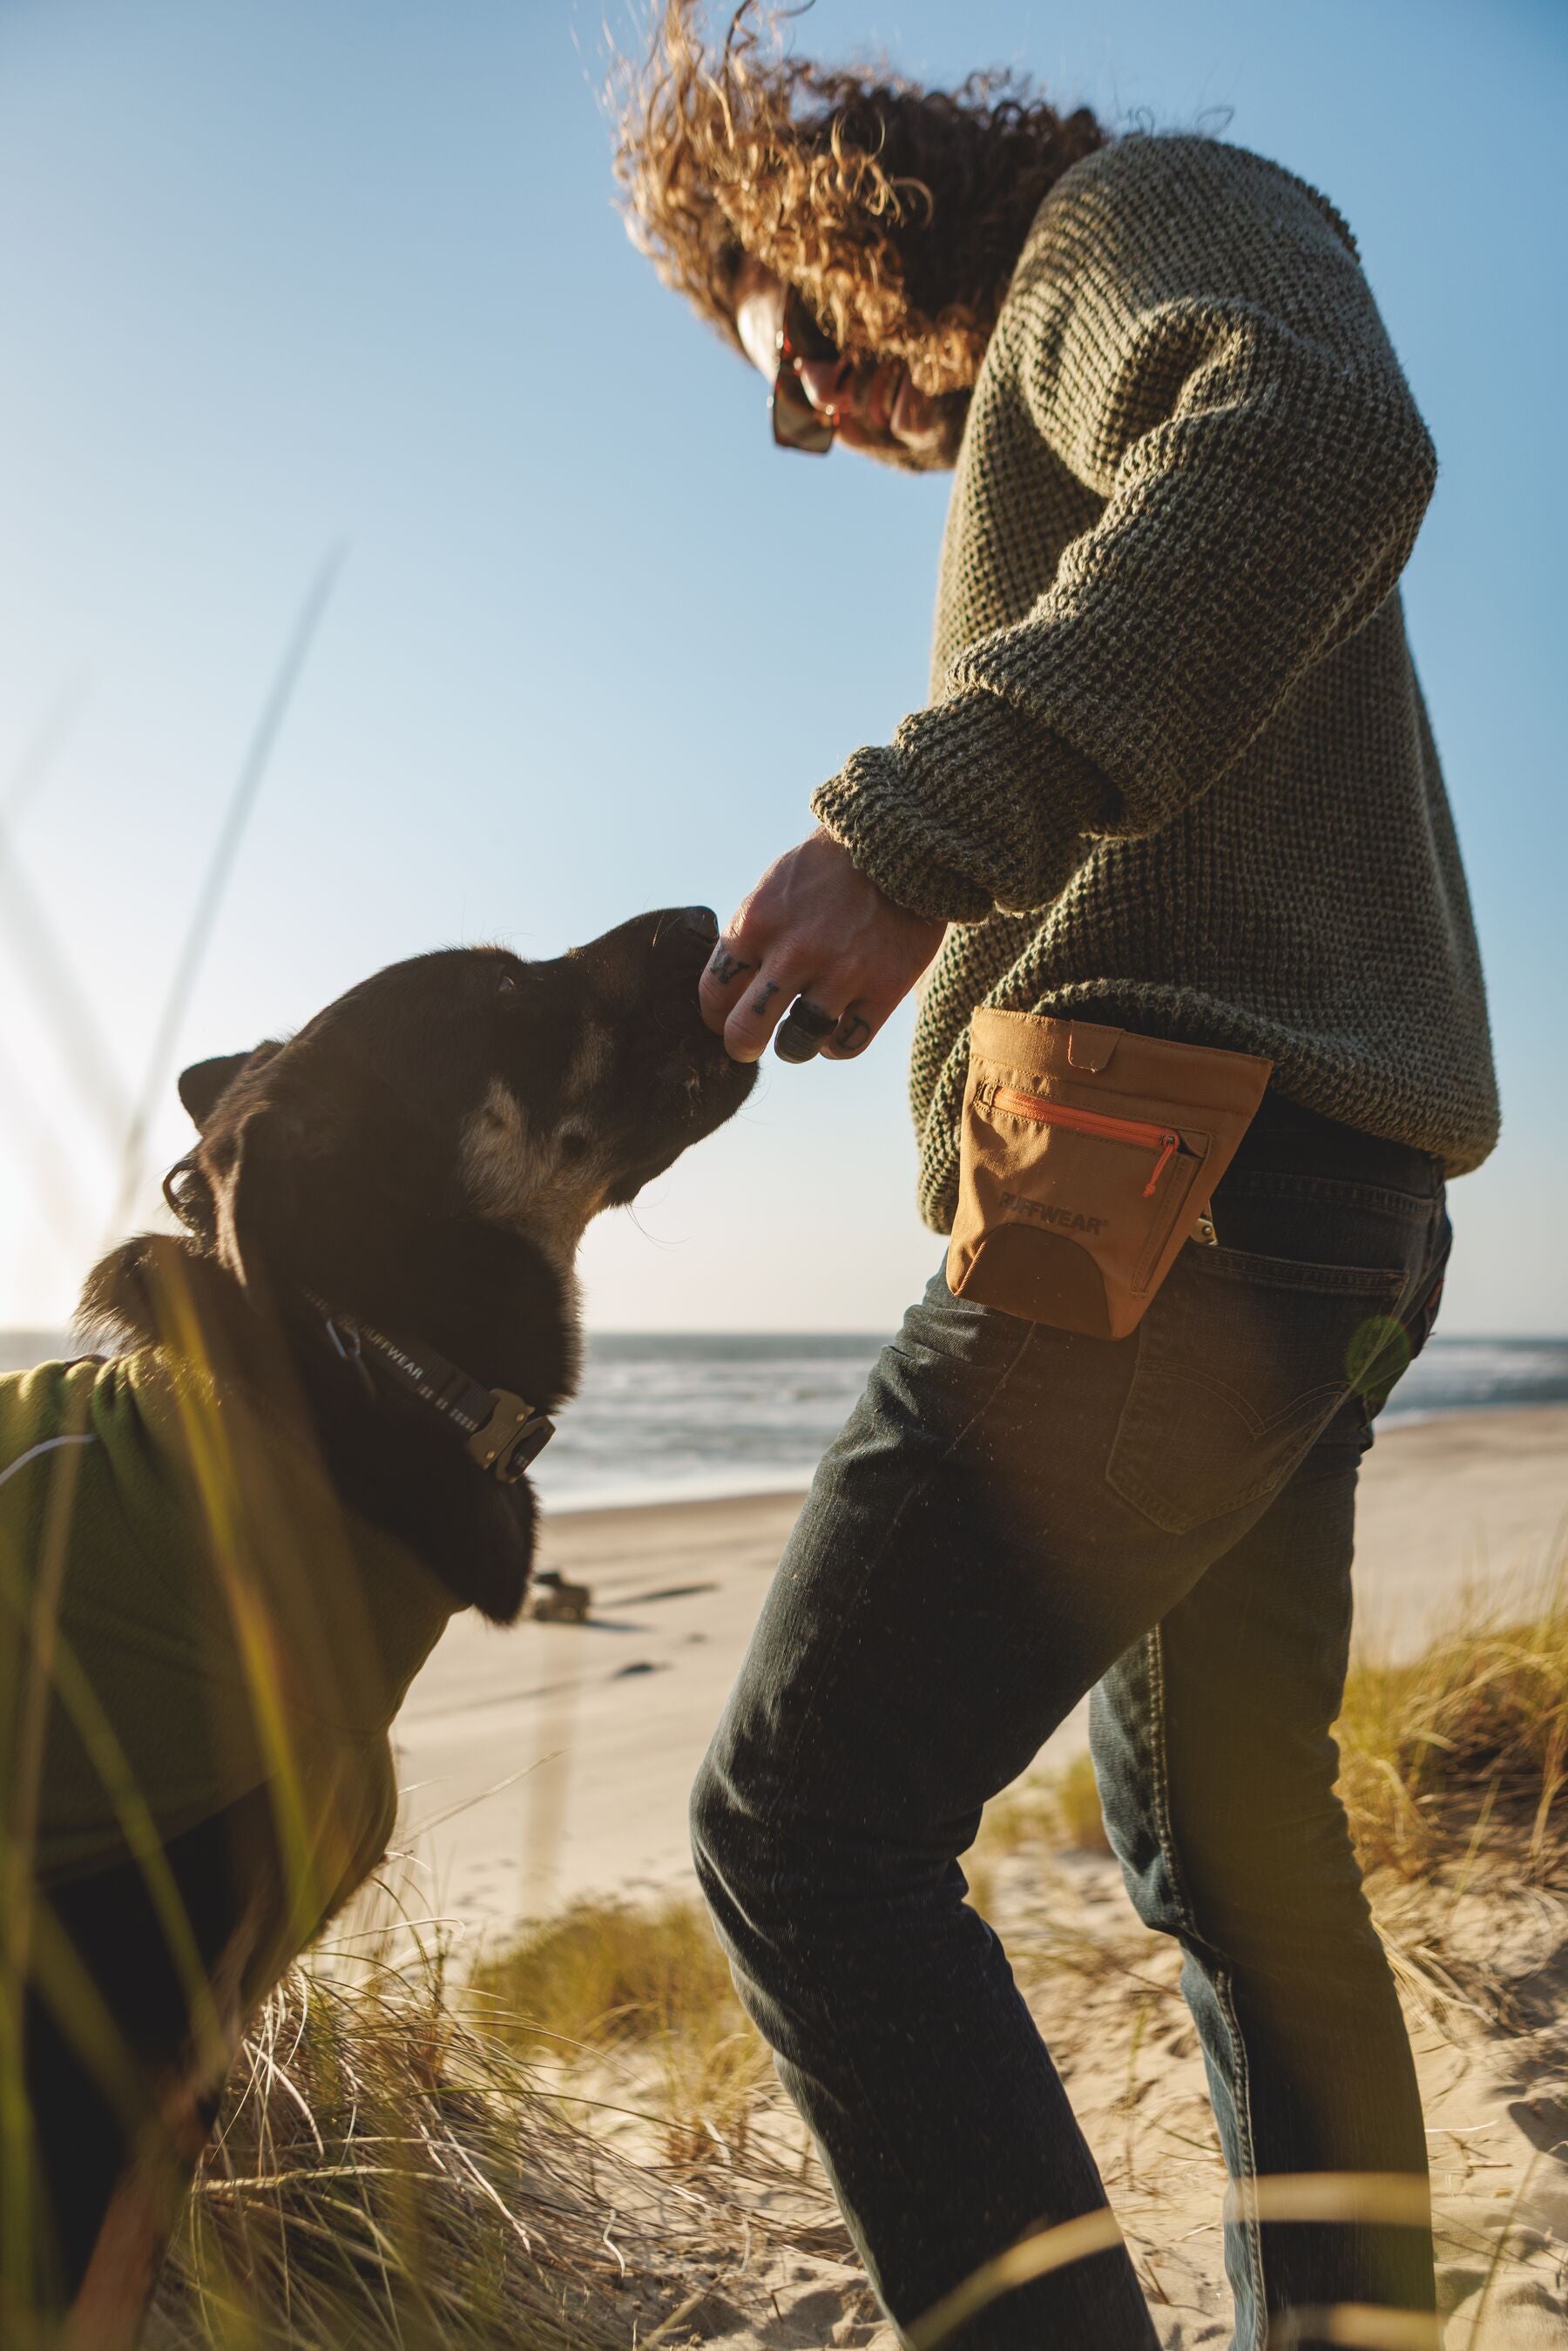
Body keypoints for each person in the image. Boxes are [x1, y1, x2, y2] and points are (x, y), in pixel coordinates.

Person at [616, 8, 1498, 2346]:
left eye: (772, 352)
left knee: (801, 1830)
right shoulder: (1083, 352)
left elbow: (1319, 428)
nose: (799, 421)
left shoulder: (1133, 225)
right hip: (1311, 1207)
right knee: (1231, 1841)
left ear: (830, 220)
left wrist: (932, 815)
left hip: (1176, 1190)